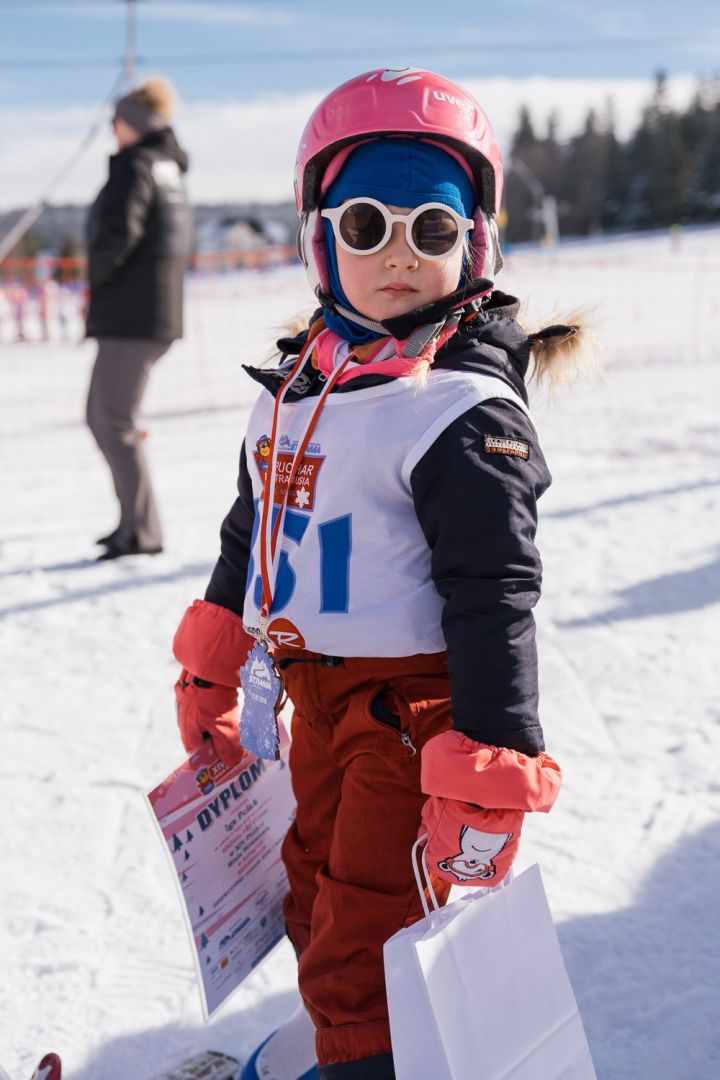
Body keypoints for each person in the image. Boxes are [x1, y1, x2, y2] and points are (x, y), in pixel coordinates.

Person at [172, 68, 582, 1080]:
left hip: (412, 715)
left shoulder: (458, 411)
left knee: (365, 931)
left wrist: (488, 774)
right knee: (313, 889)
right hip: (314, 698)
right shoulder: (298, 387)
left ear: (472, 244)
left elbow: (494, 597)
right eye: (366, 225)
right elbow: (252, 532)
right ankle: (356, 1044)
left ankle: (364, 1056)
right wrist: (213, 663)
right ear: (323, 241)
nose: (399, 254)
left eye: (431, 230)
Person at [85, 75, 191, 560]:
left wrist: (96, 276)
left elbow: (118, 234)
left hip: (131, 313)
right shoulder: (166, 166)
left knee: (112, 421)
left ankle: (142, 531)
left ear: (133, 122)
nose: (112, 130)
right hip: (153, 311)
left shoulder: (135, 165)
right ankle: (131, 523)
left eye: (116, 120)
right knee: (106, 418)